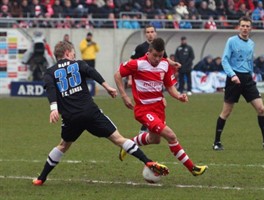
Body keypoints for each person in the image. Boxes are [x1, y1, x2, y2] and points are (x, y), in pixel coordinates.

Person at [32, 41, 169, 186]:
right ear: (67, 53)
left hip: (71, 117)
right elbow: (92, 72)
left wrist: (53, 108)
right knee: (118, 139)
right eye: (73, 53)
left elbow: (50, 89)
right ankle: (148, 162)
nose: (74, 55)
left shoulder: (50, 72)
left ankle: (41, 178)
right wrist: (107, 86)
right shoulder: (78, 64)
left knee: (63, 145)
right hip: (90, 112)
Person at [114, 38, 208, 176]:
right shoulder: (137, 64)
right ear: (149, 52)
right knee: (171, 136)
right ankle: (192, 168)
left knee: (155, 139)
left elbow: (170, 87)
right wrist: (124, 96)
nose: (158, 59)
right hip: (143, 109)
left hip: (159, 108)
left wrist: (179, 96)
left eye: (160, 55)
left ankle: (129, 144)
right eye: (155, 55)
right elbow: (117, 75)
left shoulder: (164, 64)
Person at [212, 16, 264, 151]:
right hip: (234, 79)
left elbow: (249, 62)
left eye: (247, 26)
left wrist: (251, 76)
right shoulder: (231, 41)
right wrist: (232, 75)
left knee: (261, 109)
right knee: (226, 112)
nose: (245, 28)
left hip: (247, 79)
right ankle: (216, 142)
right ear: (239, 27)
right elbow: (225, 61)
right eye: (242, 26)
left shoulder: (251, 43)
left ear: (250, 28)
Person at [129, 24, 181, 133]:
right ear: (145, 34)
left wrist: (173, 63)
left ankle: (149, 129)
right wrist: (130, 78)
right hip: (143, 86)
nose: (150, 34)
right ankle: (146, 130)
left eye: (152, 32)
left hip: (156, 83)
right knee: (155, 108)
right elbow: (131, 62)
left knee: (161, 106)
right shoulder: (140, 48)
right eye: (148, 32)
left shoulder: (159, 47)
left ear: (155, 33)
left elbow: (165, 59)